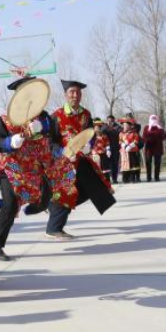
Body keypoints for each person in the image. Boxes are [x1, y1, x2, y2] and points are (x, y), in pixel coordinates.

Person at [0, 76, 77, 261]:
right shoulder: (4, 119)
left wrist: (44, 129)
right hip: (11, 169)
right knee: (10, 206)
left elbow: (56, 138)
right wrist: (10, 141)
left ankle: (32, 206)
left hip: (37, 168)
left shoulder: (45, 117)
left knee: (46, 198)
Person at [48, 80, 115, 239]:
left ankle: (54, 206)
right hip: (63, 162)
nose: (75, 95)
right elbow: (49, 141)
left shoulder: (86, 115)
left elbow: (90, 135)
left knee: (94, 188)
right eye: (72, 92)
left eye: (78, 92)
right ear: (66, 95)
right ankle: (54, 227)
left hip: (81, 159)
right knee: (67, 192)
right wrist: (61, 153)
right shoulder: (56, 116)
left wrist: (88, 146)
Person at [120, 117, 142, 183]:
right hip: (124, 152)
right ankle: (126, 178)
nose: (125, 127)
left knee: (133, 165)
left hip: (132, 150)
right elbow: (120, 141)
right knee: (125, 165)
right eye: (124, 125)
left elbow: (136, 141)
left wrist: (130, 146)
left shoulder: (134, 133)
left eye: (126, 125)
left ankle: (134, 178)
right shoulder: (121, 133)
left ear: (129, 126)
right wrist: (123, 145)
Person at [142, 114, 164, 182]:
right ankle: (149, 177)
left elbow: (163, 136)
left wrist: (151, 135)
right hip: (149, 148)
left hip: (158, 148)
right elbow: (144, 136)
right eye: (152, 119)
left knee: (157, 163)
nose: (153, 120)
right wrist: (153, 136)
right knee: (148, 163)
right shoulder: (146, 127)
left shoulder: (160, 128)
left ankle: (156, 177)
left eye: (155, 119)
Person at [91, 118, 113, 183]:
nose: (97, 129)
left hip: (103, 153)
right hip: (95, 154)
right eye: (95, 128)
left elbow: (107, 143)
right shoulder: (91, 136)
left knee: (105, 167)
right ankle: (97, 181)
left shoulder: (104, 136)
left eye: (98, 128)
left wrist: (108, 149)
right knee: (96, 167)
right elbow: (89, 145)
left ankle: (107, 180)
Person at [104, 115, 121, 184]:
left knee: (115, 164)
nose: (110, 122)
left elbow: (119, 133)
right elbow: (102, 131)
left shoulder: (118, 127)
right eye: (108, 120)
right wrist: (107, 127)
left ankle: (115, 178)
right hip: (106, 149)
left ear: (114, 120)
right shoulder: (104, 126)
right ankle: (108, 179)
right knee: (107, 164)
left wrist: (112, 129)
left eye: (111, 120)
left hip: (115, 148)